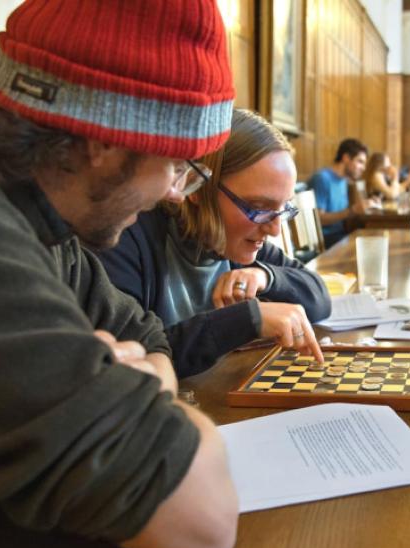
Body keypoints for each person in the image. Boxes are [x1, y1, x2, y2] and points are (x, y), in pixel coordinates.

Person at [0, 1, 240, 548]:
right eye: (177, 164)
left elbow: (146, 333)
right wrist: (147, 400)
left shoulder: (40, 212)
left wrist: (135, 383)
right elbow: (202, 517)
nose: (177, 193)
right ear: (104, 141)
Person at [98, 109, 329, 378]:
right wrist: (246, 319)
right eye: (258, 206)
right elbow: (128, 357)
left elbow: (320, 296)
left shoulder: (239, 241)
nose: (275, 229)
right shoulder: (128, 236)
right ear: (197, 187)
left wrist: (266, 276)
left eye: (282, 209)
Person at [308, 138, 369, 247]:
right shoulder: (322, 178)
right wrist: (352, 210)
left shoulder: (344, 180)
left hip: (340, 236)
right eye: (360, 161)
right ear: (346, 158)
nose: (363, 168)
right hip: (325, 240)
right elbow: (319, 219)